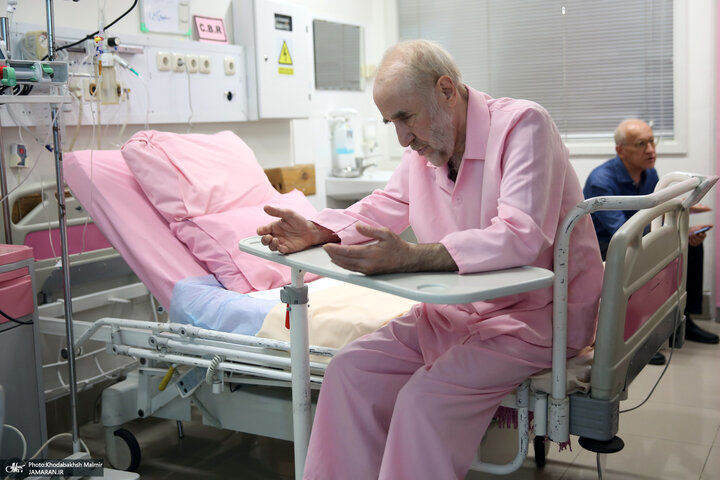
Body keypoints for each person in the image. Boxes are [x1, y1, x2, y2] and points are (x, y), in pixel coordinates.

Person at [258, 40, 604, 480]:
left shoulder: (524, 126)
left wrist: (409, 258)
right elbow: (386, 204)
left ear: (446, 90)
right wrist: (318, 229)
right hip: (454, 316)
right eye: (391, 123)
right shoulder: (425, 149)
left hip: (534, 320)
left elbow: (520, 235)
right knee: (349, 371)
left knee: (422, 402)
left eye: (406, 117)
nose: (402, 139)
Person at [583, 119, 718, 363]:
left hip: (635, 235)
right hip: (606, 245)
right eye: (641, 144)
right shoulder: (600, 180)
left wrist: (683, 230)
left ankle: (683, 320)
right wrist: (670, 234)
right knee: (645, 254)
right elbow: (621, 230)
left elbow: (653, 215)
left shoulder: (650, 174)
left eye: (652, 142)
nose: (650, 150)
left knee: (690, 247)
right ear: (621, 150)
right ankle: (638, 337)